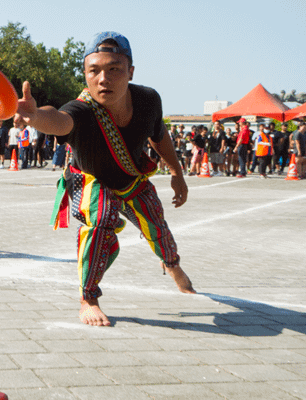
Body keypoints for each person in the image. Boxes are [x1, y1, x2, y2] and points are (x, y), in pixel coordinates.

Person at [15, 31, 195, 327]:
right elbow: (58, 121)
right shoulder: (81, 110)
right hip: (90, 179)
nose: (103, 79)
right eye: (94, 71)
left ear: (130, 72)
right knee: (101, 217)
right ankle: (89, 298)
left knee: (157, 226)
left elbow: (159, 136)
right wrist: (34, 117)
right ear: (85, 75)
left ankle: (172, 265)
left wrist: (176, 173)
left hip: (131, 178)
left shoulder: (148, 100)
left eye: (114, 70)